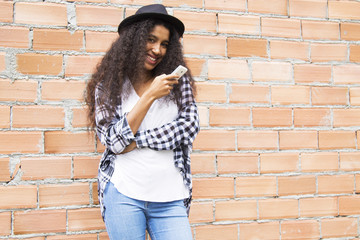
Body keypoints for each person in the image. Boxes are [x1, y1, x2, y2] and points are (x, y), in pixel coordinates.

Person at [85, 4, 200, 240]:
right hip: (123, 194)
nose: (157, 49)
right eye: (151, 39)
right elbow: (114, 142)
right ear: (134, 39)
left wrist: (137, 141)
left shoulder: (178, 81)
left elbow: (189, 126)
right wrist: (149, 95)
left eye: (165, 44)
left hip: (170, 197)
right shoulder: (108, 86)